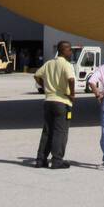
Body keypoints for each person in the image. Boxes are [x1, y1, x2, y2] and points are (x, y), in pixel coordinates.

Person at [36, 41, 75, 169]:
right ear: (63, 50)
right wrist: (72, 94)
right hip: (62, 102)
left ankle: (40, 159)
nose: (71, 52)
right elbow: (71, 79)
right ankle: (57, 160)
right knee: (60, 131)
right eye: (69, 49)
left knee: (47, 131)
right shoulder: (66, 65)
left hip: (48, 101)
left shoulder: (49, 63)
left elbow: (37, 75)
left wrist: (45, 86)